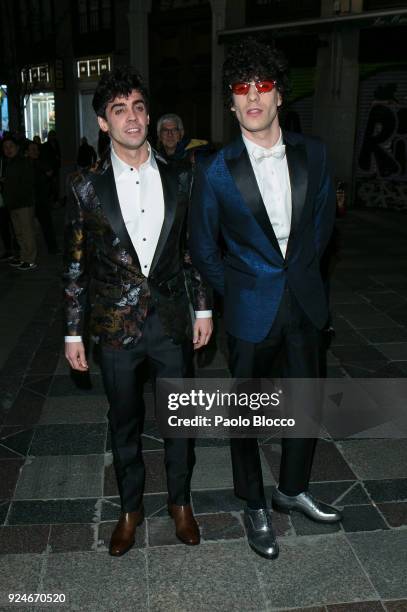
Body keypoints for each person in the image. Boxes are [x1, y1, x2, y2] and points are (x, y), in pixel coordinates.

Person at [189, 38, 341, 561]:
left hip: (305, 302)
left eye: (263, 86)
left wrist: (296, 277)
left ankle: (291, 489)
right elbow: (203, 248)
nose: (253, 97)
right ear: (231, 104)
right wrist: (245, 288)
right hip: (251, 308)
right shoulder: (212, 169)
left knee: (306, 403)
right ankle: (253, 502)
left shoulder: (315, 154)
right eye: (241, 89)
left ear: (279, 96)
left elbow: (323, 230)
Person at [63, 66, 213, 557]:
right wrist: (72, 334)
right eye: (119, 109)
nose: (133, 118)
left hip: (170, 320)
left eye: (139, 107)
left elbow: (193, 250)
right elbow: (76, 264)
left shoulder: (181, 177)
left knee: (180, 421)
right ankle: (130, 509)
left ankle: (180, 503)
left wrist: (204, 309)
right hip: (114, 327)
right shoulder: (86, 186)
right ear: (103, 123)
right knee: (123, 422)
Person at [1, 135, 37, 270]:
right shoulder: (8, 162)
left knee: (27, 232)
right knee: (19, 233)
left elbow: (27, 184)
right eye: (5, 147)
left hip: (24, 203)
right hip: (13, 203)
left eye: (10, 146)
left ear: (17, 148)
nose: (8, 149)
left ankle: (31, 259)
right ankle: (24, 257)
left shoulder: (23, 162)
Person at [26, 140, 59, 254]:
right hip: (29, 200)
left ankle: (52, 248)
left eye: (36, 149)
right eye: (32, 149)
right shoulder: (26, 164)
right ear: (27, 152)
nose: (35, 152)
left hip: (41, 200)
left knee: (47, 225)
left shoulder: (41, 163)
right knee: (27, 227)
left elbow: (50, 173)